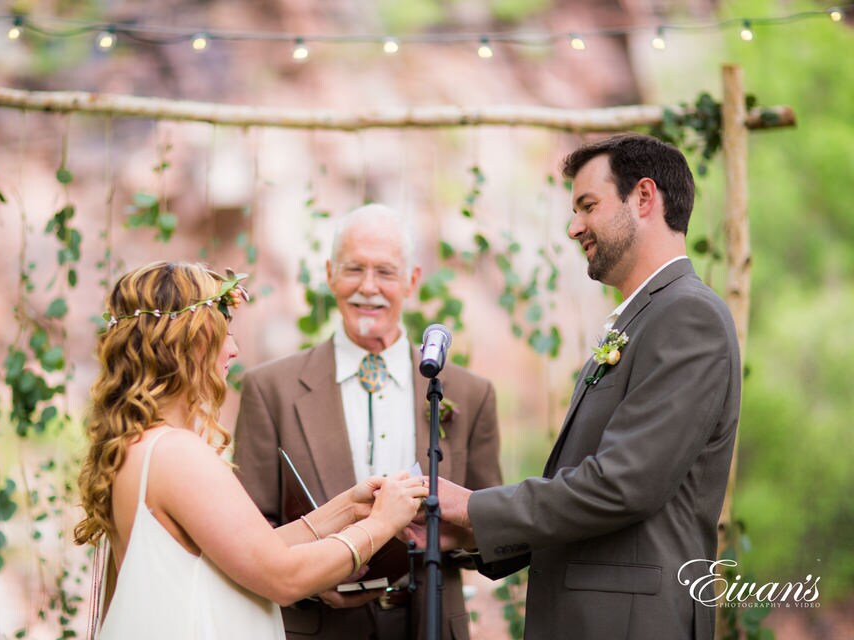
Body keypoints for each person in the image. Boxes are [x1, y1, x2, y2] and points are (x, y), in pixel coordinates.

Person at [427, 134, 741, 640]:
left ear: (643, 198)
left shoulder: (687, 315)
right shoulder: (645, 317)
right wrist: (467, 532)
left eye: (587, 206)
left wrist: (469, 506)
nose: (574, 228)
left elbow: (623, 486)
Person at [74, 261, 428, 640]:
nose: (234, 349)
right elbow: (282, 577)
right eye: (223, 333)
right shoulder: (178, 454)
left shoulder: (141, 446)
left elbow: (251, 552)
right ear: (186, 344)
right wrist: (381, 524)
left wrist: (346, 510)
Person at [234, 204, 502, 640]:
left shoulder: (469, 394)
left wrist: (451, 534)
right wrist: (313, 578)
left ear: (413, 280)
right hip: (317, 627)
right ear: (329, 274)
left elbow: (494, 524)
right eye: (354, 269)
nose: (368, 287)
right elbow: (248, 529)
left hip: (430, 621)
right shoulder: (270, 389)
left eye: (385, 272)